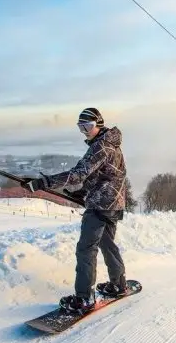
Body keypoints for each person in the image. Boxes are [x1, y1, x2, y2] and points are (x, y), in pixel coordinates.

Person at [21, 108, 128, 314]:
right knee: (107, 244)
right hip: (114, 203)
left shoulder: (100, 147)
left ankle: (84, 298)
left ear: (99, 124)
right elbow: (107, 175)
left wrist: (44, 182)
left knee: (86, 249)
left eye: (87, 126)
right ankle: (118, 284)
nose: (84, 132)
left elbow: (78, 174)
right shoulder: (112, 143)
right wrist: (83, 193)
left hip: (100, 205)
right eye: (81, 127)